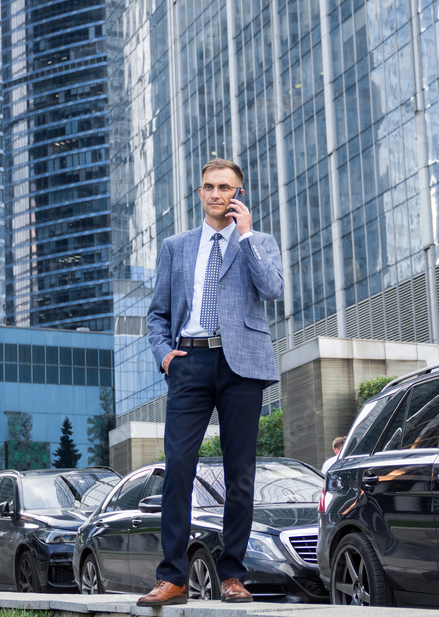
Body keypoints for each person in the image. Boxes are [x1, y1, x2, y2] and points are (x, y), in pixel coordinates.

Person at [139, 158, 284, 606]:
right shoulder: (175, 247)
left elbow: (273, 289)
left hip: (242, 366)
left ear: (238, 194)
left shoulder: (258, 242)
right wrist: (166, 357)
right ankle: (174, 579)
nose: (218, 194)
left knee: (240, 473)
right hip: (191, 363)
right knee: (179, 468)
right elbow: (157, 313)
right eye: (209, 187)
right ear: (199, 193)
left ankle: (232, 576)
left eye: (226, 188)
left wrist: (247, 237)